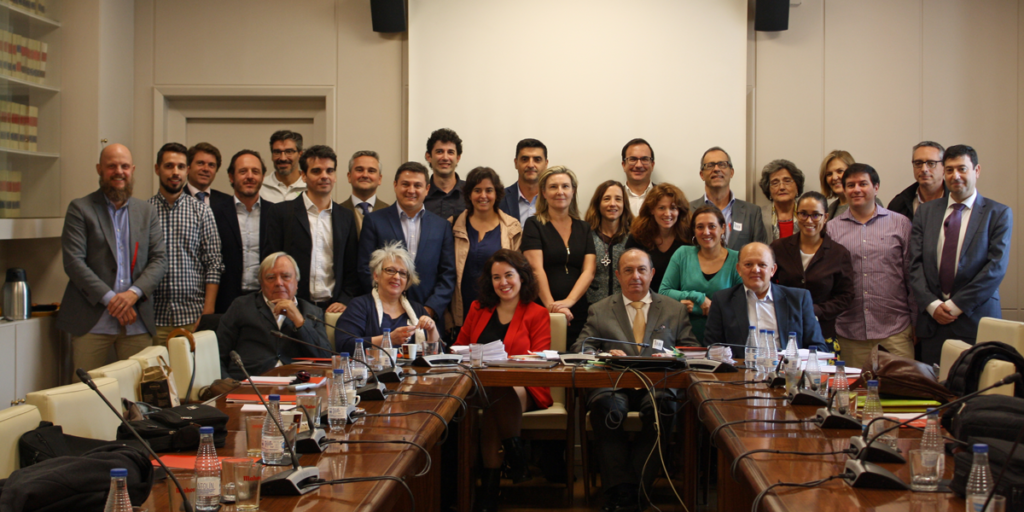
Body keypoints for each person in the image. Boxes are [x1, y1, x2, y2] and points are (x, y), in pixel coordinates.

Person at [571, 248, 697, 512]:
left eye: (641, 270)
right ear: (618, 275)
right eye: (628, 270)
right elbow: (581, 348)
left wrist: (670, 355)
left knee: (662, 409)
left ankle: (632, 490)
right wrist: (603, 354)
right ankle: (624, 490)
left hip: (658, 385)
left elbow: (691, 352)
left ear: (652, 274)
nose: (635, 276)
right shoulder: (600, 309)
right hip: (613, 384)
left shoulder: (673, 310)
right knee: (607, 410)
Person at [453, 249, 552, 511]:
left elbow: (541, 360)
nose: (503, 282)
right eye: (496, 277)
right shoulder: (477, 308)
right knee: (494, 400)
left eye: (509, 275)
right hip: (480, 388)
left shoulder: (537, 313)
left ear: (522, 277)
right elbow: (459, 347)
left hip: (524, 387)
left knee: (498, 392)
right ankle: (514, 459)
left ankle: (489, 490)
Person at [57, 144, 168, 372]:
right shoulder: (81, 209)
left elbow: (159, 260)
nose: (119, 171)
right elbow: (74, 263)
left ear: (133, 169)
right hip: (91, 322)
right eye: (112, 166)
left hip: (136, 321)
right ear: (100, 169)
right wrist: (113, 300)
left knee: (140, 395)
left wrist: (132, 295)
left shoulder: (146, 211)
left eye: (125, 166)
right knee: (86, 394)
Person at [910, 145, 1012, 364]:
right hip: (933, 324)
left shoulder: (998, 213)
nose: (955, 176)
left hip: (976, 320)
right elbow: (914, 264)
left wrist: (955, 306)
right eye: (949, 170)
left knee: (977, 390)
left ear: (976, 170)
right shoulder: (926, 212)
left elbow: (995, 268)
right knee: (935, 393)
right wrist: (933, 305)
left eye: (962, 169)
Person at [826, 164, 916, 370]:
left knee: (904, 394)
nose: (856, 189)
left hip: (896, 331)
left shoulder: (900, 224)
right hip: (850, 332)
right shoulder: (831, 229)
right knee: (854, 396)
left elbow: (911, 276)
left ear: (876, 187)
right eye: (850, 185)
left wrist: (916, 323)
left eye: (862, 184)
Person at [358, 161, 456, 335]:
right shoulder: (374, 221)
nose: (411, 190)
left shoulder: (441, 226)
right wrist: (388, 306)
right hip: (383, 317)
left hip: (427, 319)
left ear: (427, 189)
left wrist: (429, 309)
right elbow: (365, 268)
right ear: (395, 186)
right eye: (405, 184)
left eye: (417, 185)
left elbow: (447, 274)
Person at [264, 145, 360, 313]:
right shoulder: (280, 213)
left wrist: (345, 299)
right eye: (316, 171)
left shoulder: (346, 217)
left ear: (335, 176)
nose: (324, 176)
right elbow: (270, 263)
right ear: (303, 176)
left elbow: (351, 266)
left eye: (330, 171)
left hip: (333, 308)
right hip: (293, 304)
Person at [148, 143, 224, 346]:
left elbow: (214, 264)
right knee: (156, 377)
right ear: (157, 169)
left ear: (187, 170)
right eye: (169, 166)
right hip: (154, 318)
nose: (175, 172)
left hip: (193, 317)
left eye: (181, 167)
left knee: (196, 377)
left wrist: (207, 313)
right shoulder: (144, 212)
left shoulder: (202, 211)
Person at [217, 252, 333, 379]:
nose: (278, 283)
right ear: (261, 283)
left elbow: (325, 359)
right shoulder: (241, 306)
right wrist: (226, 382)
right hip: (250, 384)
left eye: (286, 276)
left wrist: (299, 321)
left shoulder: (312, 313)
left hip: (297, 385)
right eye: (271, 278)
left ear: (296, 282)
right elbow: (217, 354)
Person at [704, 243, 828, 358]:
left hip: (786, 374)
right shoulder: (722, 300)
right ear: (739, 269)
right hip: (739, 375)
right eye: (748, 264)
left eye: (762, 265)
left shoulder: (799, 299)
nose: (755, 270)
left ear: (773, 270)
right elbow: (712, 348)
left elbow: (819, 348)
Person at [770, 191, 854, 356]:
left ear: (826, 217)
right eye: (803, 214)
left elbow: (846, 296)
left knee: (820, 380)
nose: (809, 220)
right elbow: (768, 286)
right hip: (784, 330)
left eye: (816, 215)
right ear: (796, 214)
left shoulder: (838, 253)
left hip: (823, 333)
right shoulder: (778, 248)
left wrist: (816, 310)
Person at [521, 166, 596, 344]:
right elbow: (535, 269)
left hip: (577, 309)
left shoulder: (583, 227)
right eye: (553, 187)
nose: (560, 192)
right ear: (544, 193)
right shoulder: (533, 225)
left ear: (573, 191)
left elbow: (589, 271)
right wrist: (552, 307)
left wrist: (568, 302)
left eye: (565, 186)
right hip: (543, 309)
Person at [335, 241, 440, 355]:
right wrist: (388, 339)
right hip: (373, 371)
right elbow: (344, 345)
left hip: (414, 372)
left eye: (403, 273)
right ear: (376, 275)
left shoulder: (418, 310)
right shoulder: (359, 306)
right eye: (390, 270)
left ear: (407, 281)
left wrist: (432, 330)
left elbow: (439, 355)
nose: (396, 277)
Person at [449, 167, 522, 329]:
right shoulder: (453, 225)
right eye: (477, 190)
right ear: (469, 194)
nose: (483, 196)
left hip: (501, 313)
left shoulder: (512, 227)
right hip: (462, 311)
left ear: (496, 194)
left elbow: (518, 275)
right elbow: (444, 271)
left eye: (489, 190)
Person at [659, 205, 741, 343]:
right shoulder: (682, 254)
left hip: (724, 340)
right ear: (694, 231)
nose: (706, 232)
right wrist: (698, 297)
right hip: (683, 338)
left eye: (712, 226)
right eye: (700, 227)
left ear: (723, 228)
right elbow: (663, 292)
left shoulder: (737, 259)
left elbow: (741, 303)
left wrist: (696, 308)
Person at [210, 149, 275, 314]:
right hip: (225, 302)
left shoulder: (276, 214)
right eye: (243, 171)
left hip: (266, 301)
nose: (250, 176)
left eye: (255, 171)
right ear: (231, 177)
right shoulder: (213, 213)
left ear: (262, 177)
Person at [690, 146, 768, 250]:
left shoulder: (752, 212)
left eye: (722, 164)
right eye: (710, 165)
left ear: (731, 172)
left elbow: (760, 253)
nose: (716, 169)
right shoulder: (688, 210)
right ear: (702, 175)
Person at [625, 183, 692, 294]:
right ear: (652, 210)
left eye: (673, 208)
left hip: (681, 303)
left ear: (680, 211)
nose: (667, 214)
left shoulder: (689, 238)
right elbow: (629, 274)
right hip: (645, 302)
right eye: (661, 208)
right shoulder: (637, 237)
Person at [585, 180, 634, 304]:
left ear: (624, 204)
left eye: (618, 199)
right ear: (598, 203)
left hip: (626, 308)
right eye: (606, 199)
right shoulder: (586, 236)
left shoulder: (634, 238)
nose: (612, 204)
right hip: (591, 309)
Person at [888, 141, 948, 222]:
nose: (924, 169)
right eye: (918, 163)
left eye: (931, 163)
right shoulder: (899, 204)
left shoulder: (956, 200)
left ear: (944, 167)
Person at [498, 138, 548, 226]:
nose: (531, 165)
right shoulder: (499, 199)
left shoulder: (553, 199)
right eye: (525, 159)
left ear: (546, 164)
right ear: (516, 163)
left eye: (537, 160)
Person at [339, 150, 389, 236]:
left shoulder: (391, 213)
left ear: (379, 179)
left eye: (371, 171)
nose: (365, 175)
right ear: (349, 176)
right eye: (359, 170)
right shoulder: (336, 213)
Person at [423, 128, 467, 220]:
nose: (445, 157)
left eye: (450, 152)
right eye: (439, 152)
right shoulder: (420, 194)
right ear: (428, 157)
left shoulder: (471, 194)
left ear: (458, 158)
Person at [757, 159, 805, 242]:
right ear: (768, 189)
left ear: (797, 186)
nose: (782, 187)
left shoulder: (809, 215)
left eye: (787, 181)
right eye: (775, 183)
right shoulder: (758, 216)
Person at [260, 130, 307, 203]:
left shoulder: (310, 187)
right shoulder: (260, 187)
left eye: (289, 152)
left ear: (300, 154)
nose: (283, 158)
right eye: (277, 152)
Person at [184, 142, 231, 206]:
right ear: (188, 167)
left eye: (211, 165)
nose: (206, 169)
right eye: (200, 163)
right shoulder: (175, 198)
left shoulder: (228, 202)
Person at [621, 138, 655, 213]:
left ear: (652, 165)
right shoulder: (612, 200)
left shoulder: (667, 197)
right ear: (624, 165)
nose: (639, 165)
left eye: (645, 159)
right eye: (633, 159)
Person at [819, 150, 854, 219]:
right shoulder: (830, 209)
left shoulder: (870, 204)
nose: (834, 177)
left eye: (840, 171)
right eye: (829, 174)